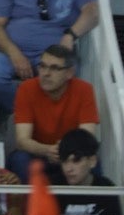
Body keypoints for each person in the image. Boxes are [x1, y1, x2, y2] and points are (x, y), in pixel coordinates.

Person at [11, 43, 99, 180]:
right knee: (19, 159)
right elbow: (22, 141)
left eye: (54, 68)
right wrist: (47, 150)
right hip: (39, 153)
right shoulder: (26, 89)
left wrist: (65, 151)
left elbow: (86, 137)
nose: (46, 73)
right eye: (42, 66)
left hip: (71, 154)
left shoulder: (84, 89)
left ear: (69, 73)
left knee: (92, 161)